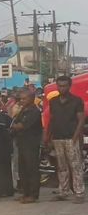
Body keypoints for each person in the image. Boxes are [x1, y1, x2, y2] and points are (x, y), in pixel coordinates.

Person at [44, 74, 85, 203]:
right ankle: (63, 192)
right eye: (59, 86)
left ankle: (79, 193)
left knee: (75, 166)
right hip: (57, 138)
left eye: (64, 86)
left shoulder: (77, 101)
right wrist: (48, 136)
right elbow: (51, 120)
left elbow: (81, 120)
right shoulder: (53, 101)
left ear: (69, 86)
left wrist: (75, 137)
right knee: (61, 167)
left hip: (70, 138)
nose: (62, 88)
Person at [11, 88, 44, 203]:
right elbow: (14, 122)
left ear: (32, 98)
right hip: (22, 143)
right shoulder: (23, 110)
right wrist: (15, 125)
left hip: (31, 144)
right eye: (21, 99)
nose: (22, 101)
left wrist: (15, 126)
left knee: (32, 169)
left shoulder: (34, 111)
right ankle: (26, 193)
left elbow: (20, 126)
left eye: (25, 98)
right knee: (23, 170)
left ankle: (33, 195)